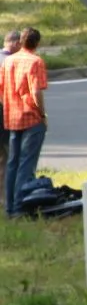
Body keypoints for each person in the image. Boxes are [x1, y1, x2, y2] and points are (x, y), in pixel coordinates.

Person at [0, 28, 47, 219]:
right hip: (31, 117)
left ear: (20, 41)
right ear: (36, 43)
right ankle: (20, 207)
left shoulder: (8, 61)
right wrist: (42, 114)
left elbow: (1, 90)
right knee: (26, 163)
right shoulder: (35, 62)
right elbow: (36, 91)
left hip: (12, 117)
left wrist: (9, 106)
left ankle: (10, 206)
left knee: (12, 163)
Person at [0, 30, 21, 209]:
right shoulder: (9, 62)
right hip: (4, 117)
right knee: (10, 157)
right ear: (14, 43)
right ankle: (7, 198)